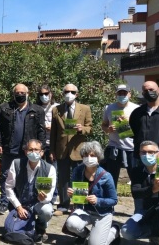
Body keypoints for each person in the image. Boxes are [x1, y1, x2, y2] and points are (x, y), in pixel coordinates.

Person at [0, 84, 46, 214]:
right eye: (17, 92)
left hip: (28, 150)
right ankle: (4, 203)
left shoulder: (37, 110)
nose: (20, 95)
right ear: (13, 94)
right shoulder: (5, 108)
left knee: (26, 176)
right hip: (9, 148)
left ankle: (25, 202)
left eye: (23, 92)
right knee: (6, 176)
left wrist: (41, 148)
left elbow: (41, 130)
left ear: (28, 94)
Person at [65, 141, 119, 245]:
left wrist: (98, 200)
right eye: (85, 155)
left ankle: (114, 230)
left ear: (98, 157)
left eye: (92, 155)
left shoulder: (106, 176)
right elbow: (74, 191)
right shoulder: (77, 170)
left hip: (102, 213)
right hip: (84, 210)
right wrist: (71, 193)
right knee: (71, 224)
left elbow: (114, 200)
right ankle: (86, 235)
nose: (89, 158)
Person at [50, 84, 92, 216]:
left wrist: (82, 129)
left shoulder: (85, 109)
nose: (69, 93)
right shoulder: (56, 109)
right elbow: (53, 133)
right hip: (61, 149)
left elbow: (90, 128)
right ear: (63, 93)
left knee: (79, 178)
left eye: (72, 91)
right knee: (63, 179)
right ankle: (63, 205)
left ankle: (79, 205)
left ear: (77, 94)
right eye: (66, 91)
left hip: (78, 149)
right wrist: (52, 150)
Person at [4, 139, 56, 242]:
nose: (33, 152)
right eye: (30, 149)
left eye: (36, 150)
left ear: (41, 152)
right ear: (25, 151)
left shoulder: (50, 169)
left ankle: (41, 228)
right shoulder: (16, 164)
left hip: (37, 203)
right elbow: (8, 187)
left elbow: (49, 195)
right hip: (20, 202)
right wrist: (18, 207)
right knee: (16, 225)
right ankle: (28, 229)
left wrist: (43, 199)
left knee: (47, 210)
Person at [121, 140, 159, 244]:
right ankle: (156, 233)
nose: (147, 155)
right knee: (127, 232)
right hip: (146, 209)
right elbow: (136, 193)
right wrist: (153, 189)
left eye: (151, 152)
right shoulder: (137, 171)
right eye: (143, 152)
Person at [101, 84, 139, 188]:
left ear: (130, 94)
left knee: (135, 178)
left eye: (125, 93)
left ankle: (138, 201)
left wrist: (127, 123)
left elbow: (141, 129)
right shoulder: (109, 108)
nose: (122, 95)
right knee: (111, 179)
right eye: (120, 93)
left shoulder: (137, 108)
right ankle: (110, 202)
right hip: (115, 147)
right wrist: (108, 129)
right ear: (116, 94)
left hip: (132, 148)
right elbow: (104, 125)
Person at [34, 84, 59, 204]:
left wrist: (53, 128)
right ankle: (40, 194)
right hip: (39, 145)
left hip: (53, 144)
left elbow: (64, 126)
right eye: (41, 94)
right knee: (39, 170)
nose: (44, 96)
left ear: (51, 94)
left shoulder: (57, 107)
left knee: (52, 170)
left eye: (46, 94)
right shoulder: (35, 107)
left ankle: (53, 196)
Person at [130, 81, 159, 158]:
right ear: (143, 93)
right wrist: (120, 124)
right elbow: (130, 135)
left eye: (151, 89)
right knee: (141, 171)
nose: (149, 92)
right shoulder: (137, 112)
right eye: (145, 91)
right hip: (142, 157)